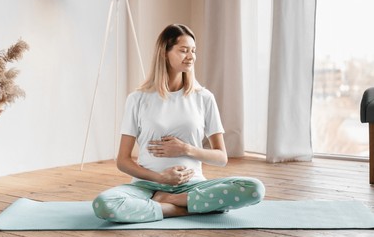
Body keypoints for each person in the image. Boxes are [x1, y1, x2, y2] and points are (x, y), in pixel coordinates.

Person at [92, 24, 265, 223]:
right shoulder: (137, 98)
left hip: (192, 186)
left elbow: (221, 157)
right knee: (104, 204)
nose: (190, 56)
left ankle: (171, 201)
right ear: (165, 53)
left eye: (193, 51)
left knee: (254, 189)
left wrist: (186, 149)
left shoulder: (204, 97)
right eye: (183, 50)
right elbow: (122, 160)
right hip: (146, 186)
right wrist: (160, 178)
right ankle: (186, 209)